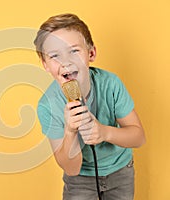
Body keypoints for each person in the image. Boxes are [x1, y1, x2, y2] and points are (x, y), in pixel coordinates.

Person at [34, 13, 146, 200]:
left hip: (121, 171)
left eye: (74, 51)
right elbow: (71, 168)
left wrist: (104, 132)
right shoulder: (48, 105)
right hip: (80, 179)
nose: (66, 62)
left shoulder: (110, 84)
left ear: (91, 53)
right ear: (45, 65)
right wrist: (70, 131)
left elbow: (138, 138)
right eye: (55, 56)